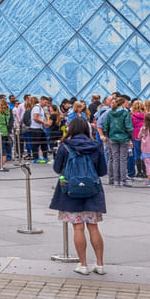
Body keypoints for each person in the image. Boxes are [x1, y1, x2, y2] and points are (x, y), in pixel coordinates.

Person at [50, 115, 108, 275]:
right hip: (92, 191)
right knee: (93, 227)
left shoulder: (65, 146)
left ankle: (83, 265)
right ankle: (100, 264)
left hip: (70, 191)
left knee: (78, 227)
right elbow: (102, 171)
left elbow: (56, 168)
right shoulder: (96, 146)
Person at [100, 95, 133, 187]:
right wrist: (130, 137)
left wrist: (108, 135)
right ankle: (123, 180)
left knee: (115, 158)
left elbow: (105, 126)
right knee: (123, 158)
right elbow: (129, 127)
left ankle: (115, 180)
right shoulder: (125, 113)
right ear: (122, 103)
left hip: (112, 138)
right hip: (124, 138)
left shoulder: (110, 113)